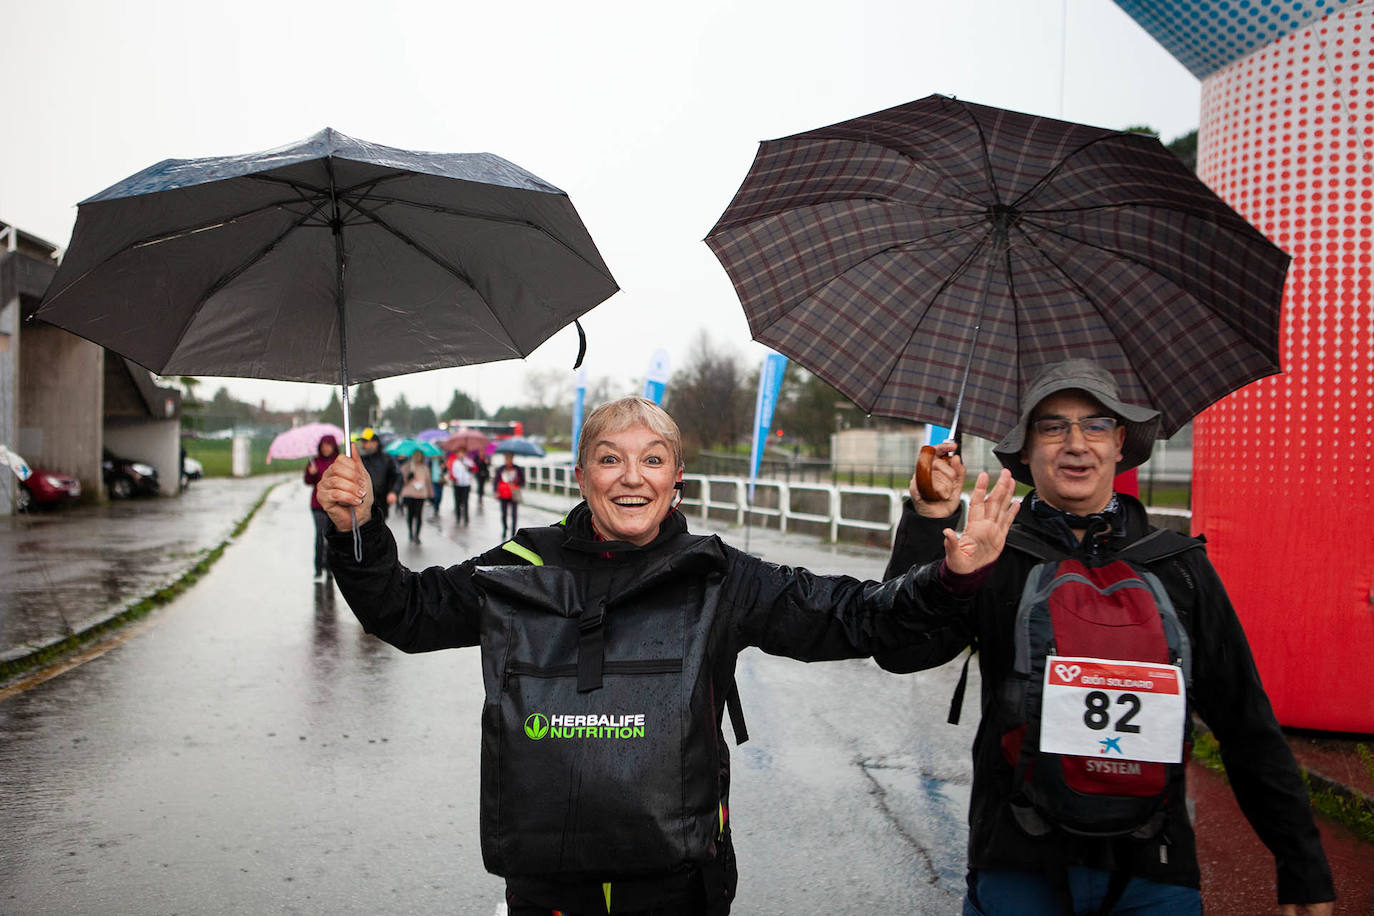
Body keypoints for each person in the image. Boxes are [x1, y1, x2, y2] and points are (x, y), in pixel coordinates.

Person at [316, 396, 1019, 915]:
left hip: (681, 884)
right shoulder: (521, 564)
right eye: (610, 458)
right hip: (547, 882)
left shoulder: (716, 575)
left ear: (676, 475)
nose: (632, 477)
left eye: (652, 459)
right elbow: (402, 613)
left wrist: (949, 575)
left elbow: (859, 618)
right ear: (582, 472)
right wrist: (355, 529)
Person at [878, 359, 1335, 916]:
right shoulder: (997, 555)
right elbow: (899, 650)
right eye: (1053, 426)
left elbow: (1245, 720)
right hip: (1019, 861)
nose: (1076, 443)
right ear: (1025, 449)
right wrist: (929, 520)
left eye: (1095, 425)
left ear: (1120, 443)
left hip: (1153, 867)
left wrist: (1302, 864)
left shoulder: (1178, 566)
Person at [303, 434, 339, 580]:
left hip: (334, 504)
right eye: (323, 445)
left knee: (331, 537)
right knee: (319, 535)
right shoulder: (314, 462)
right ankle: (318, 567)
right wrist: (311, 474)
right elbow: (308, 481)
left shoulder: (339, 461)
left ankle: (330, 567)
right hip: (318, 504)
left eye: (328, 445)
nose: (325, 448)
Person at [357, 429, 400, 522]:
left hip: (381, 504)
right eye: (362, 442)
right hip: (362, 504)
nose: (362, 445)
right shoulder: (359, 460)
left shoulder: (387, 459)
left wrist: (394, 492)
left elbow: (397, 477)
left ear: (375, 443)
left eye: (365, 442)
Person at [399, 449, 433, 544]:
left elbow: (428, 482)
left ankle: (417, 535)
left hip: (421, 494)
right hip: (409, 493)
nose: (417, 458)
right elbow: (401, 480)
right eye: (416, 455)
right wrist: (409, 476)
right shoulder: (406, 467)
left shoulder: (425, 468)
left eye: (419, 456)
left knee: (418, 515)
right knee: (410, 514)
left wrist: (431, 495)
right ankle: (410, 532)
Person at [494, 451, 525, 540]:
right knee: (504, 514)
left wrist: (517, 480)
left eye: (509, 458)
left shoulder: (517, 469)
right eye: (506, 458)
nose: (508, 460)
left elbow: (522, 481)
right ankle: (505, 528)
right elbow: (496, 480)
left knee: (514, 514)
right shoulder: (501, 469)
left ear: (512, 459)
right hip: (503, 494)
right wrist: (496, 491)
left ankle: (513, 532)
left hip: (513, 494)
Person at [447, 449, 473, 524]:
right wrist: (454, 478)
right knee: (457, 502)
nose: (461, 454)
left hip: (466, 484)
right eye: (459, 453)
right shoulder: (455, 462)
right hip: (457, 484)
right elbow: (453, 472)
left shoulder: (468, 461)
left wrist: (466, 465)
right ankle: (458, 517)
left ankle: (466, 518)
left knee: (465, 501)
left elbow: (472, 469)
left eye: (462, 453)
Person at [428, 453, 448, 518]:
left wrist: (444, 467)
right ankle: (435, 508)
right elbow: (428, 470)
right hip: (433, 481)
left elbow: (445, 471)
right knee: (435, 495)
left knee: (440, 496)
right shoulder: (431, 462)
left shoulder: (441, 461)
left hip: (440, 481)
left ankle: (437, 505)